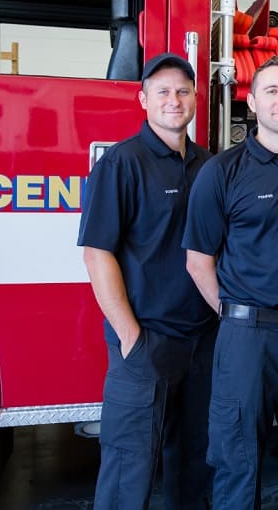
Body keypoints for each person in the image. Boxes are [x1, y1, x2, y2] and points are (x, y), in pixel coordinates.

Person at [183, 56, 278, 509]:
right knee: (237, 459)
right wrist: (237, 317)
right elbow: (197, 261)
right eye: (271, 91)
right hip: (247, 338)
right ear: (251, 101)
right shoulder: (222, 172)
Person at [78, 52, 217, 509]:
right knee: (128, 470)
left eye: (182, 90)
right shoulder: (122, 164)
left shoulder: (208, 166)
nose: (174, 100)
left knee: (195, 467)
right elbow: (97, 253)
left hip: (202, 344)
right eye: (162, 92)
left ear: (195, 98)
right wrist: (130, 337)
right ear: (143, 100)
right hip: (146, 344)